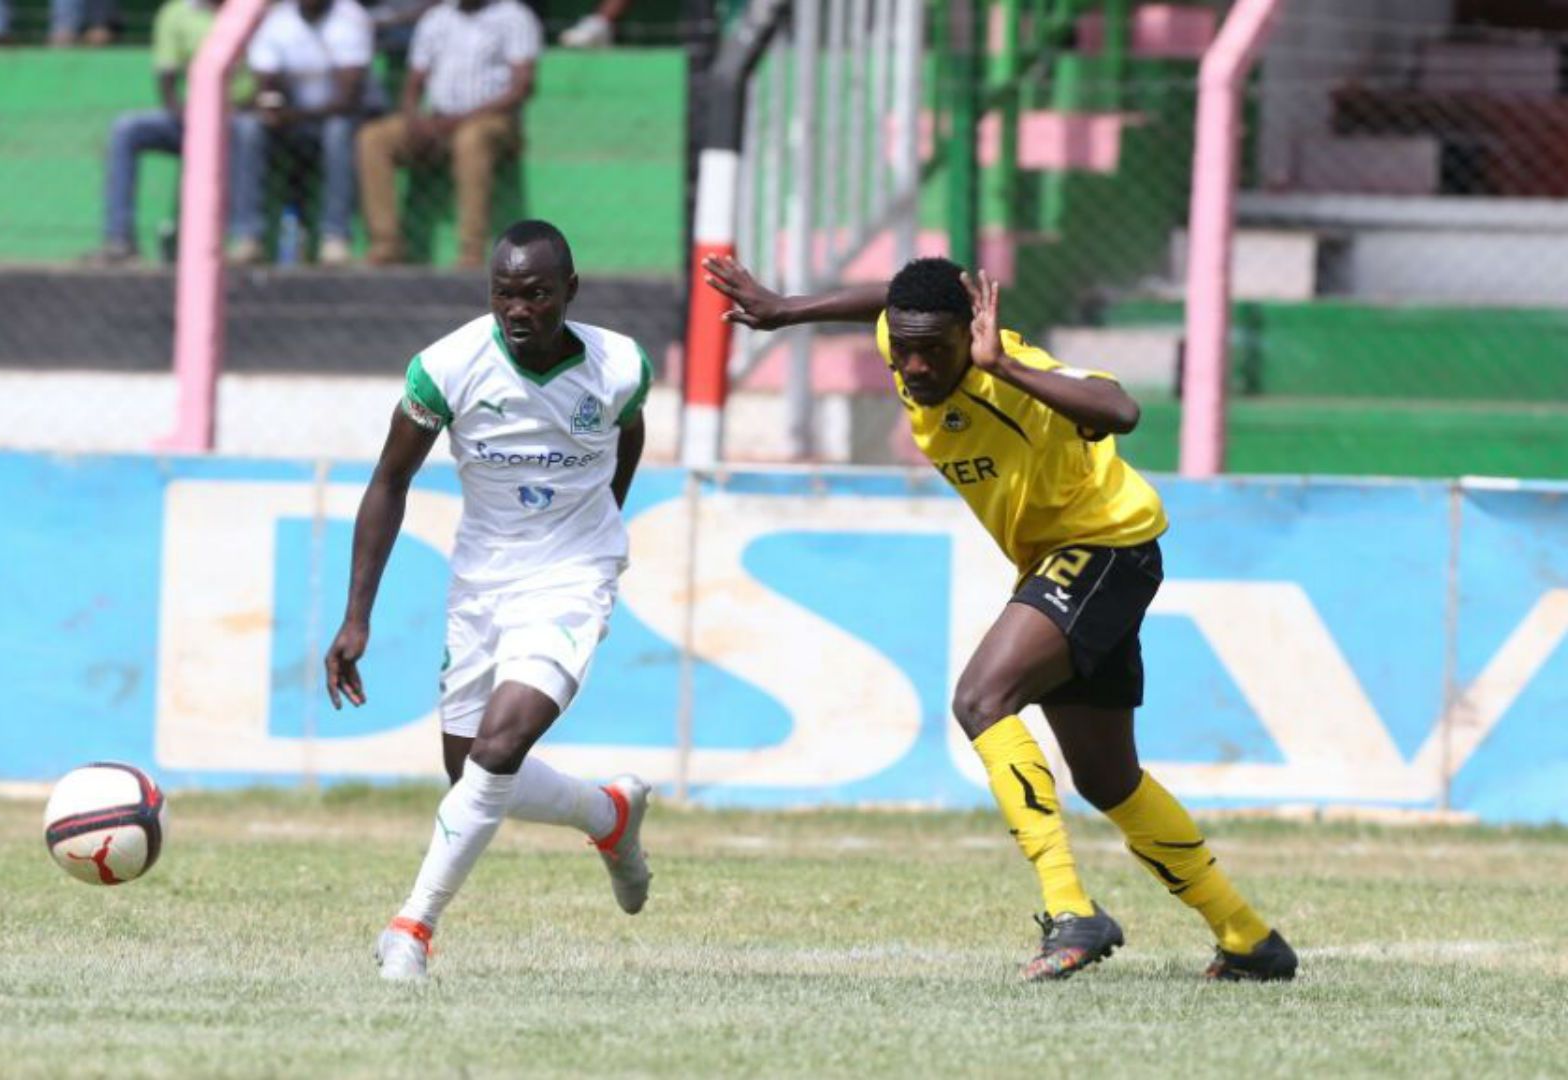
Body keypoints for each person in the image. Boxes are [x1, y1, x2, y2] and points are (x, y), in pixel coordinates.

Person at [704, 254, 1298, 983]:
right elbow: (888, 304)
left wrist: (1004, 367)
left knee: (982, 699)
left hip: (1104, 547)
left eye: (935, 349)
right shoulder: (911, 335)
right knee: (1109, 780)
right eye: (905, 346)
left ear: (974, 332)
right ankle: (1247, 938)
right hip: (1068, 560)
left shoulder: (1011, 372)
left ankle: (1070, 909)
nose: (915, 365)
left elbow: (1120, 410)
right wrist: (789, 309)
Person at [326, 219, 656, 981]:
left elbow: (627, 434)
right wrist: (356, 616)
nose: (519, 309)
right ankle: (609, 815)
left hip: (573, 571)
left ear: (569, 292)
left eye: (537, 294)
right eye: (505, 293)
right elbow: (389, 482)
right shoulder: (446, 367)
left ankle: (411, 930)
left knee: (500, 748)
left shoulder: (619, 365)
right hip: (481, 579)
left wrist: (601, 519)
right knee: (470, 771)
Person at [354, 0, 541, 268]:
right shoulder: (436, 18)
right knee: (373, 138)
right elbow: (415, 81)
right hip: (438, 120)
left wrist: (461, 120)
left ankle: (472, 251)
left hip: (494, 122)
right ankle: (386, 245)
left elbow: (522, 86)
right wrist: (412, 119)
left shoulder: (514, 16)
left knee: (471, 139)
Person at [88, 0, 269, 265]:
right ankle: (119, 240)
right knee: (126, 129)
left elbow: (268, 74)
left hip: (240, 115)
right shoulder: (175, 13)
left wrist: (236, 108)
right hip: (192, 119)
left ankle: (247, 237)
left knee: (249, 129)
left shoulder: (254, 9)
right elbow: (167, 82)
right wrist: (190, 117)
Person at [247, 0, 377, 266]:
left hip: (339, 120)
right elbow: (266, 83)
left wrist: (293, 114)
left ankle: (336, 238)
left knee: (337, 131)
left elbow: (347, 99)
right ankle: (249, 236)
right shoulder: (278, 19)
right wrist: (273, 106)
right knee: (248, 129)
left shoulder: (351, 17)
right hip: (292, 122)